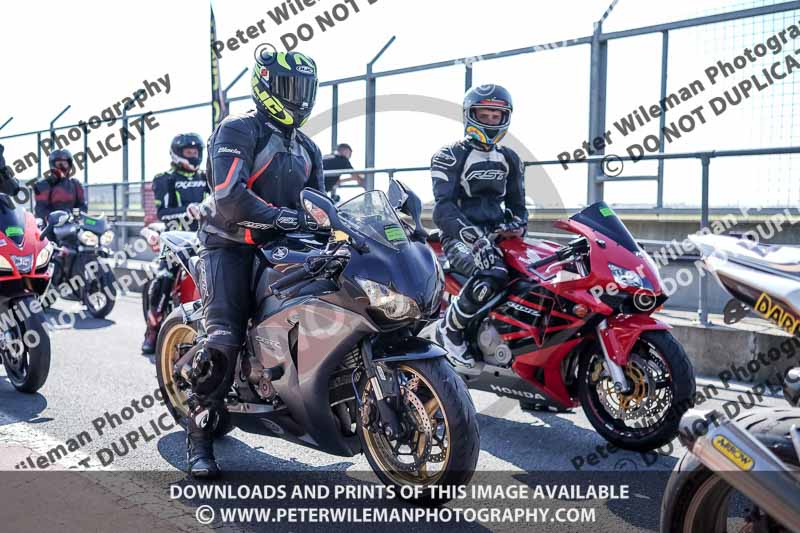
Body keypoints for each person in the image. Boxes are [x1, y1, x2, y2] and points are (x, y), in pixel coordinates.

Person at [186, 50, 324, 478]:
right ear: (264, 85)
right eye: (289, 87)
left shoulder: (308, 147)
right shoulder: (238, 128)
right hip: (229, 244)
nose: (298, 96)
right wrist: (282, 217)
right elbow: (229, 197)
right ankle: (199, 439)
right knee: (224, 338)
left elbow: (320, 204)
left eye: (304, 88)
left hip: (284, 246)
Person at [432, 84, 528, 368]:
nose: (489, 120)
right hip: (459, 238)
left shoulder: (511, 158)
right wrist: (476, 240)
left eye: (495, 116)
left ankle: (521, 351)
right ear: (469, 115)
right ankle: (449, 330)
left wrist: (518, 226)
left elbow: (519, 207)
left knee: (536, 279)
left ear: (505, 118)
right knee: (493, 273)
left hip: (498, 237)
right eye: (483, 114)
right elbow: (443, 210)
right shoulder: (450, 154)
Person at [141, 133, 209, 354]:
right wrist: (187, 211)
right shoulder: (165, 178)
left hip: (206, 236)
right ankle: (152, 330)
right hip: (175, 240)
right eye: (189, 152)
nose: (193, 155)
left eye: (196, 152)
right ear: (178, 154)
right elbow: (162, 212)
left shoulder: (206, 176)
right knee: (164, 276)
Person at [33, 149, 87, 220]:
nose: (62, 167)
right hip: (50, 224)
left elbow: (81, 206)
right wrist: (56, 218)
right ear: (52, 165)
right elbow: (41, 210)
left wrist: (74, 217)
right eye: (59, 164)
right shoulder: (42, 184)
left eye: (65, 164)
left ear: (70, 165)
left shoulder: (76, 184)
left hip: (72, 223)